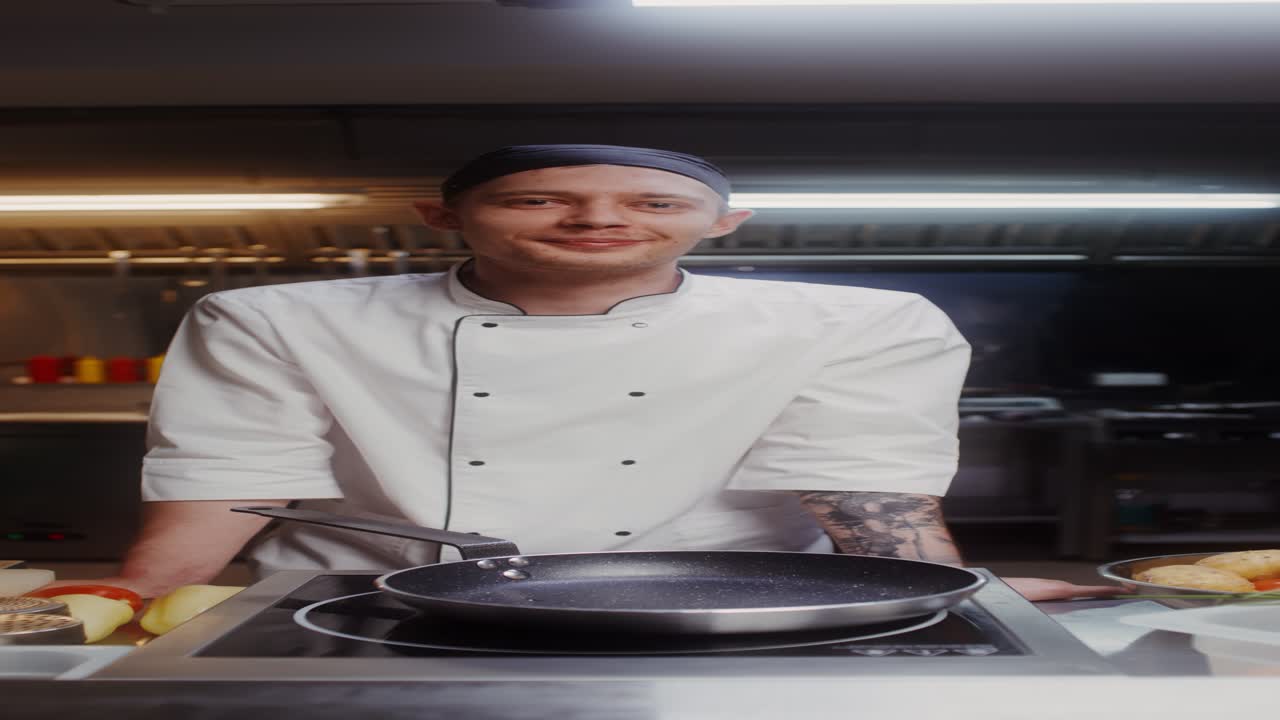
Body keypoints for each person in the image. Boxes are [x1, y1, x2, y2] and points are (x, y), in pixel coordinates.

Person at [45, 144, 1118, 602]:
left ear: (723, 223)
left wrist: (943, 602)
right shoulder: (275, 316)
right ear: (443, 216)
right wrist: (136, 601)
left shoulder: (855, 321)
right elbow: (233, 477)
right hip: (364, 604)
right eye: (537, 200)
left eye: (652, 204)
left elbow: (867, 495)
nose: (598, 221)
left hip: (713, 605)